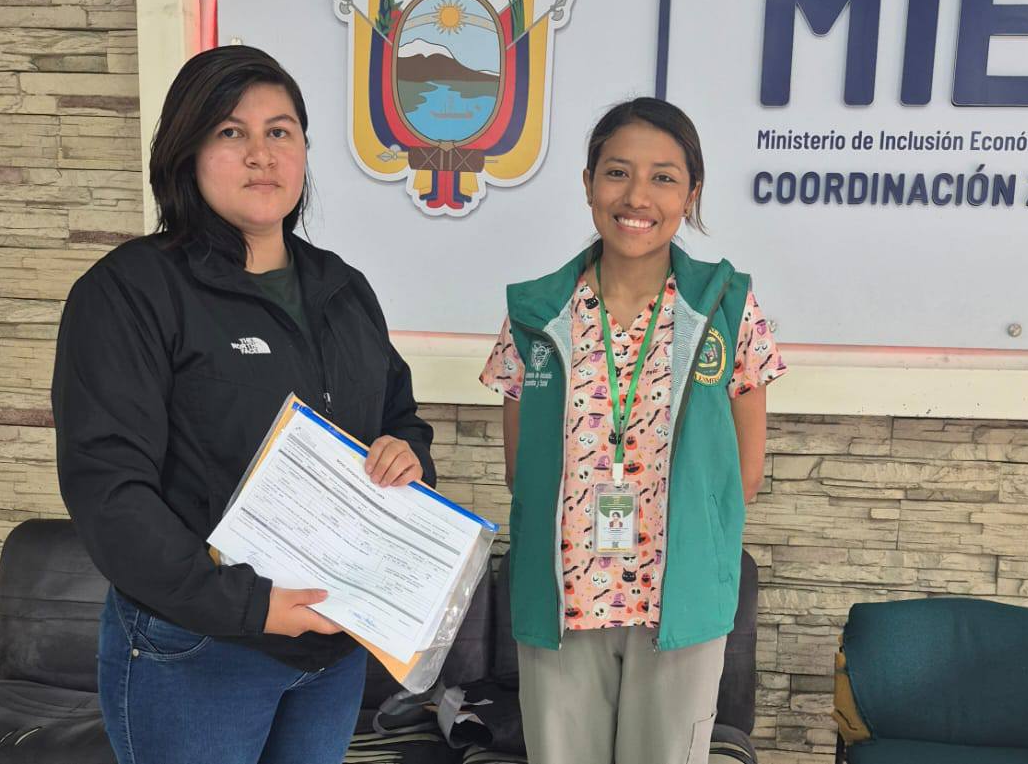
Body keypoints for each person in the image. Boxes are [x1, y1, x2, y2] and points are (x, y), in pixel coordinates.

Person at [51, 45, 435, 764]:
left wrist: (407, 453)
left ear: (304, 151)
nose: (262, 154)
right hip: (198, 649)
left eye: (279, 131)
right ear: (188, 151)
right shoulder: (130, 291)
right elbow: (110, 492)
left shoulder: (343, 288)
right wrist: (250, 606)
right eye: (232, 131)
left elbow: (399, 419)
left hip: (332, 648)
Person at [480, 97, 786, 764]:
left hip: (678, 604)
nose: (637, 196)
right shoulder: (536, 313)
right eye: (617, 172)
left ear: (691, 192)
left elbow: (745, 473)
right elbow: (520, 467)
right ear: (588, 183)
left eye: (663, 177)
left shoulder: (727, 307)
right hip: (563, 601)